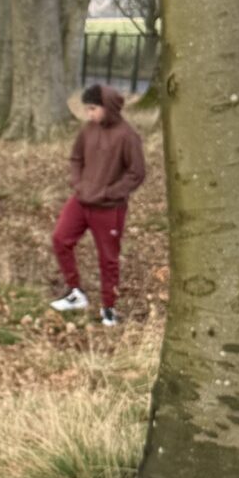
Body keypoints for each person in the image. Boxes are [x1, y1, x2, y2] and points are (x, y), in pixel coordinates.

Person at [51, 83, 147, 328]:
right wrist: (78, 183)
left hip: (109, 208)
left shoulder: (127, 136)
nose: (89, 113)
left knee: (108, 258)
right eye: (87, 109)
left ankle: (108, 308)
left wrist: (108, 193)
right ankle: (75, 292)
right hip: (81, 200)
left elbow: (136, 173)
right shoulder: (88, 129)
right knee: (60, 239)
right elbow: (76, 158)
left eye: (93, 108)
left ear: (108, 107)